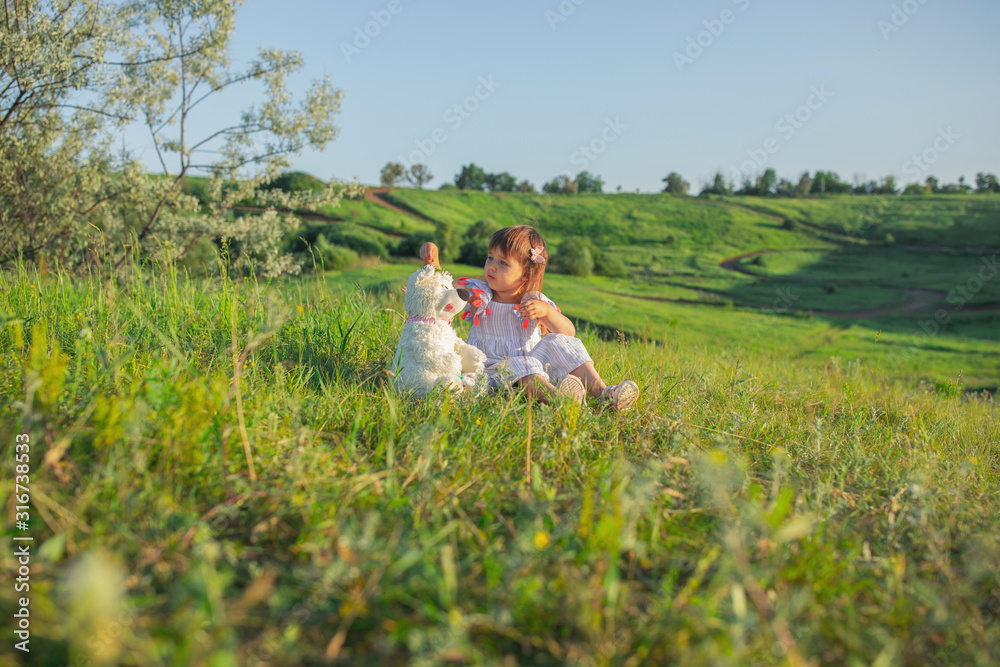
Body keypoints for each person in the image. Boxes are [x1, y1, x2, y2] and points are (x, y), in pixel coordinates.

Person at [420, 225, 638, 409]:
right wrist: (432, 262)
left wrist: (547, 312)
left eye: (503, 263)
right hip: (491, 370)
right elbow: (442, 287)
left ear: (525, 273)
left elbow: (568, 333)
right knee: (521, 366)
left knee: (560, 342)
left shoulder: (534, 301)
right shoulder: (478, 292)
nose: (492, 266)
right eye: (490, 257)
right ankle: (563, 403)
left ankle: (604, 393)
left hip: (536, 367)